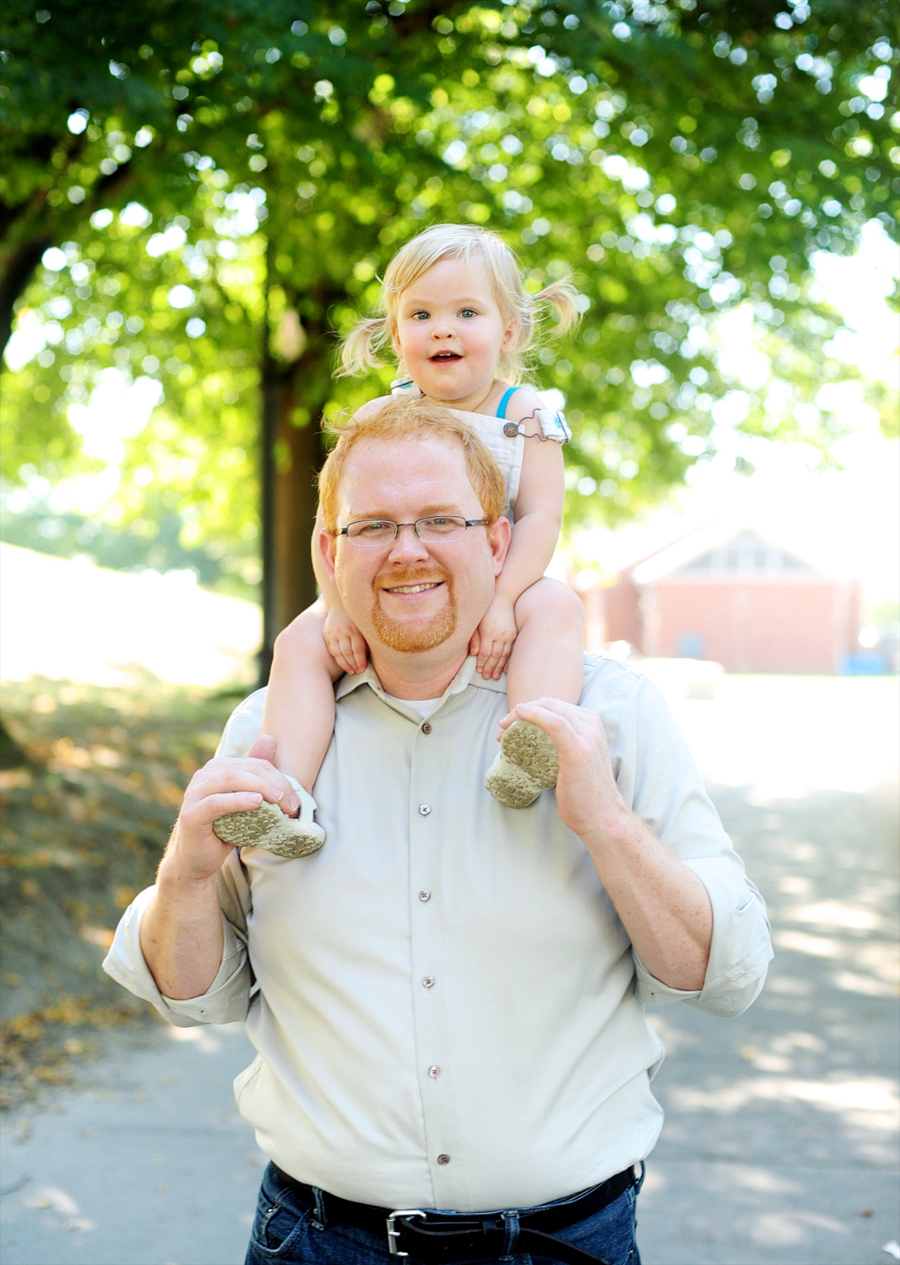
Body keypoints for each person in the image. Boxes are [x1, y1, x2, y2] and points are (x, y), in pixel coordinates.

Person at [104, 397, 773, 1265]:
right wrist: (186, 878)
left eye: (439, 521)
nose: (407, 549)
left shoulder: (610, 713)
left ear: (498, 543)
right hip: (314, 1241)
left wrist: (604, 821)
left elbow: (722, 974)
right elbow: (192, 994)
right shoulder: (272, 733)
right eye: (372, 524)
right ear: (327, 551)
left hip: (562, 1246)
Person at [213, 224, 587, 860]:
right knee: (298, 644)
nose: (442, 328)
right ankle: (284, 800)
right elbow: (331, 528)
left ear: (509, 331)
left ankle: (529, 747)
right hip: (398, 581)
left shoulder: (526, 417)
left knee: (558, 610)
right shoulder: (375, 422)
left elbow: (541, 519)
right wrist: (335, 607)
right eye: (421, 314)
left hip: (503, 576)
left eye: (466, 311)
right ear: (395, 336)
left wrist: (504, 602)